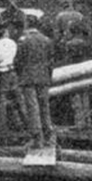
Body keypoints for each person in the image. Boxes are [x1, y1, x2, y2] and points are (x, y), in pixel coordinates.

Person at [15, 14, 56, 149]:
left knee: (32, 108)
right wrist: (49, 76)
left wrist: (20, 75)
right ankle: (48, 136)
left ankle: (37, 138)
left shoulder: (23, 41)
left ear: (27, 24)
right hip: (44, 77)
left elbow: (18, 61)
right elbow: (51, 61)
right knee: (44, 106)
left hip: (28, 78)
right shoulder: (47, 40)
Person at [0, 16, 26, 143]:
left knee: (1, 104)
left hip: (2, 74)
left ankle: (3, 133)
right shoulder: (12, 43)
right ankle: (26, 126)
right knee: (19, 100)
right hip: (13, 72)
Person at [58, 1, 92, 129]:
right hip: (85, 71)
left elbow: (67, 59)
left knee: (75, 96)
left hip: (74, 72)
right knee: (85, 95)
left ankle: (79, 122)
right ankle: (88, 121)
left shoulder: (70, 44)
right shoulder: (86, 42)